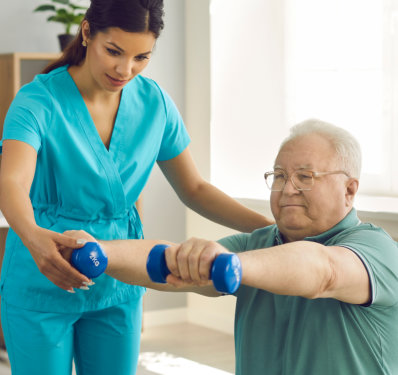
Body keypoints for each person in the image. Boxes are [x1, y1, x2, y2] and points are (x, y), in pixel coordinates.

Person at [0, 1, 273, 374]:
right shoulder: (38, 100)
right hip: (43, 275)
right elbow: (12, 180)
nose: (124, 69)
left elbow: (194, 188)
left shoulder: (154, 103)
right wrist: (33, 238)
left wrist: (272, 232)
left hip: (120, 277)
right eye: (113, 51)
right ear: (86, 33)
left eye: (141, 56)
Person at [65, 119, 398, 374]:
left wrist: (235, 265)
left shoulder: (375, 249)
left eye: (306, 176)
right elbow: (169, 265)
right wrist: (100, 252)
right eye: (280, 176)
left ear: (350, 190)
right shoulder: (256, 244)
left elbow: (323, 271)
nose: (288, 188)